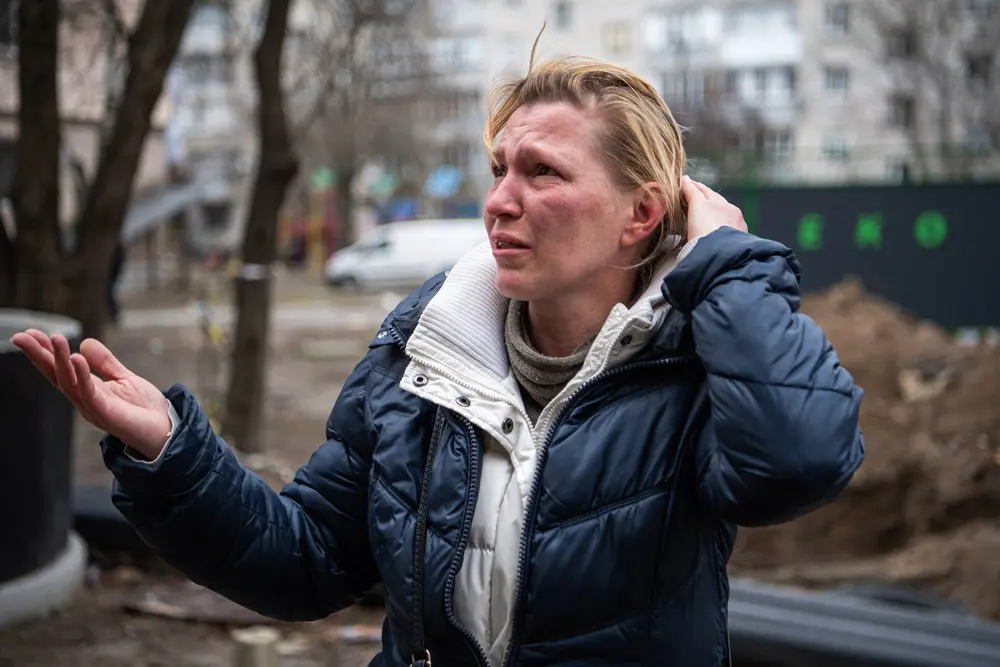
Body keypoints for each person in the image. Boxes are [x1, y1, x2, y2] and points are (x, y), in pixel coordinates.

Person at [11, 56, 865, 667]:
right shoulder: (424, 350)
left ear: (641, 213)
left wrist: (726, 258)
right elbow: (305, 560)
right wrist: (171, 452)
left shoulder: (694, 365)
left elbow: (796, 462)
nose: (500, 201)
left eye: (543, 171)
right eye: (498, 168)